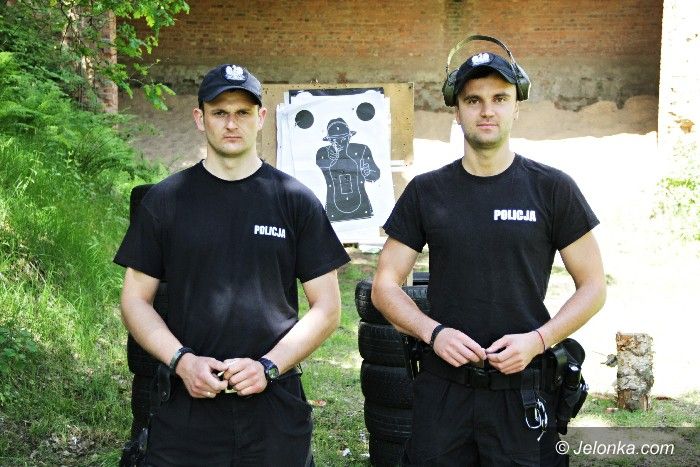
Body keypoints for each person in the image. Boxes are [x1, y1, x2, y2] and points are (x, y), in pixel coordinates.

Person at [371, 48, 606, 466]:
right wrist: (432, 333)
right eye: (473, 100)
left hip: (522, 388)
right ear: (456, 111)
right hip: (443, 390)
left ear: (516, 108)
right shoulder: (427, 191)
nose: (486, 110)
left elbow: (593, 287)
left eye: (500, 98)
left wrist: (539, 340)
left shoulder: (552, 189)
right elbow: (384, 286)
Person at [114, 63, 350, 466]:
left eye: (242, 112)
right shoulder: (166, 201)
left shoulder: (294, 200)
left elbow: (327, 308)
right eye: (219, 112)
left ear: (261, 117)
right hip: (187, 404)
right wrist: (182, 361)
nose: (231, 123)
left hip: (274, 404)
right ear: (199, 118)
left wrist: (268, 366)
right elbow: (135, 301)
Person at [315, 117, 380, 222]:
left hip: (362, 208)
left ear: (349, 137)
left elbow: (376, 174)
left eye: (343, 138)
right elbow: (318, 171)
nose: (339, 142)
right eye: (334, 140)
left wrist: (368, 173)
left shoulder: (362, 150)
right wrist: (331, 161)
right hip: (334, 210)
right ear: (330, 140)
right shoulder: (323, 153)